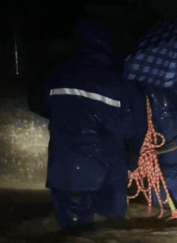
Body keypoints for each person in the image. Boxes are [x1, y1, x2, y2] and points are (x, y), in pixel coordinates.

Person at [32, 20, 146, 230]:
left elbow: (38, 105)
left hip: (65, 170)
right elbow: (137, 127)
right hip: (109, 171)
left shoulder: (57, 74)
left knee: (71, 237)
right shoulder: (121, 82)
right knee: (114, 232)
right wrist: (131, 161)